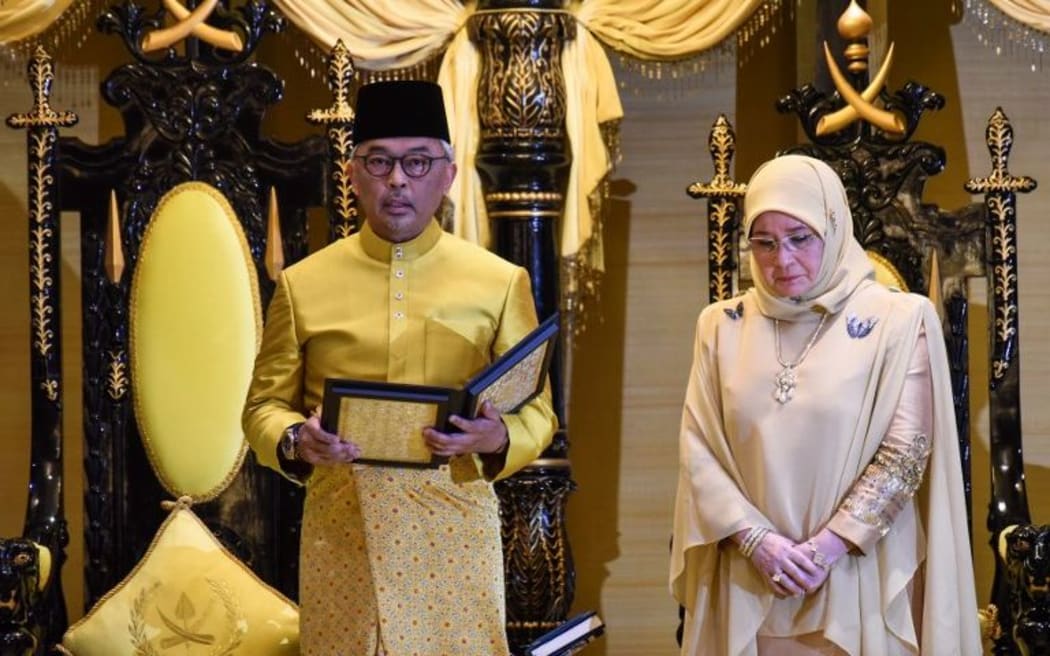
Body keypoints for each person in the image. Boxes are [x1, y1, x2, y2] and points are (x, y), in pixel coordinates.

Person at [242, 79, 557, 655]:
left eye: (417, 162)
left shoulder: (498, 282)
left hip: (454, 525)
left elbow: (539, 411)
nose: (397, 180)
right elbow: (262, 408)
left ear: (448, 175)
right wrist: (294, 441)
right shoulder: (303, 285)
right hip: (343, 528)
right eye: (379, 162)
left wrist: (497, 436)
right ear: (352, 174)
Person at [669, 154, 981, 655]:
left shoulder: (898, 321)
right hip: (750, 579)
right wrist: (758, 544)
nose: (782, 261)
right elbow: (699, 450)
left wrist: (823, 551)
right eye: (764, 243)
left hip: (856, 575)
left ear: (834, 229)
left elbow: (904, 454)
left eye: (799, 238)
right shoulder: (719, 325)